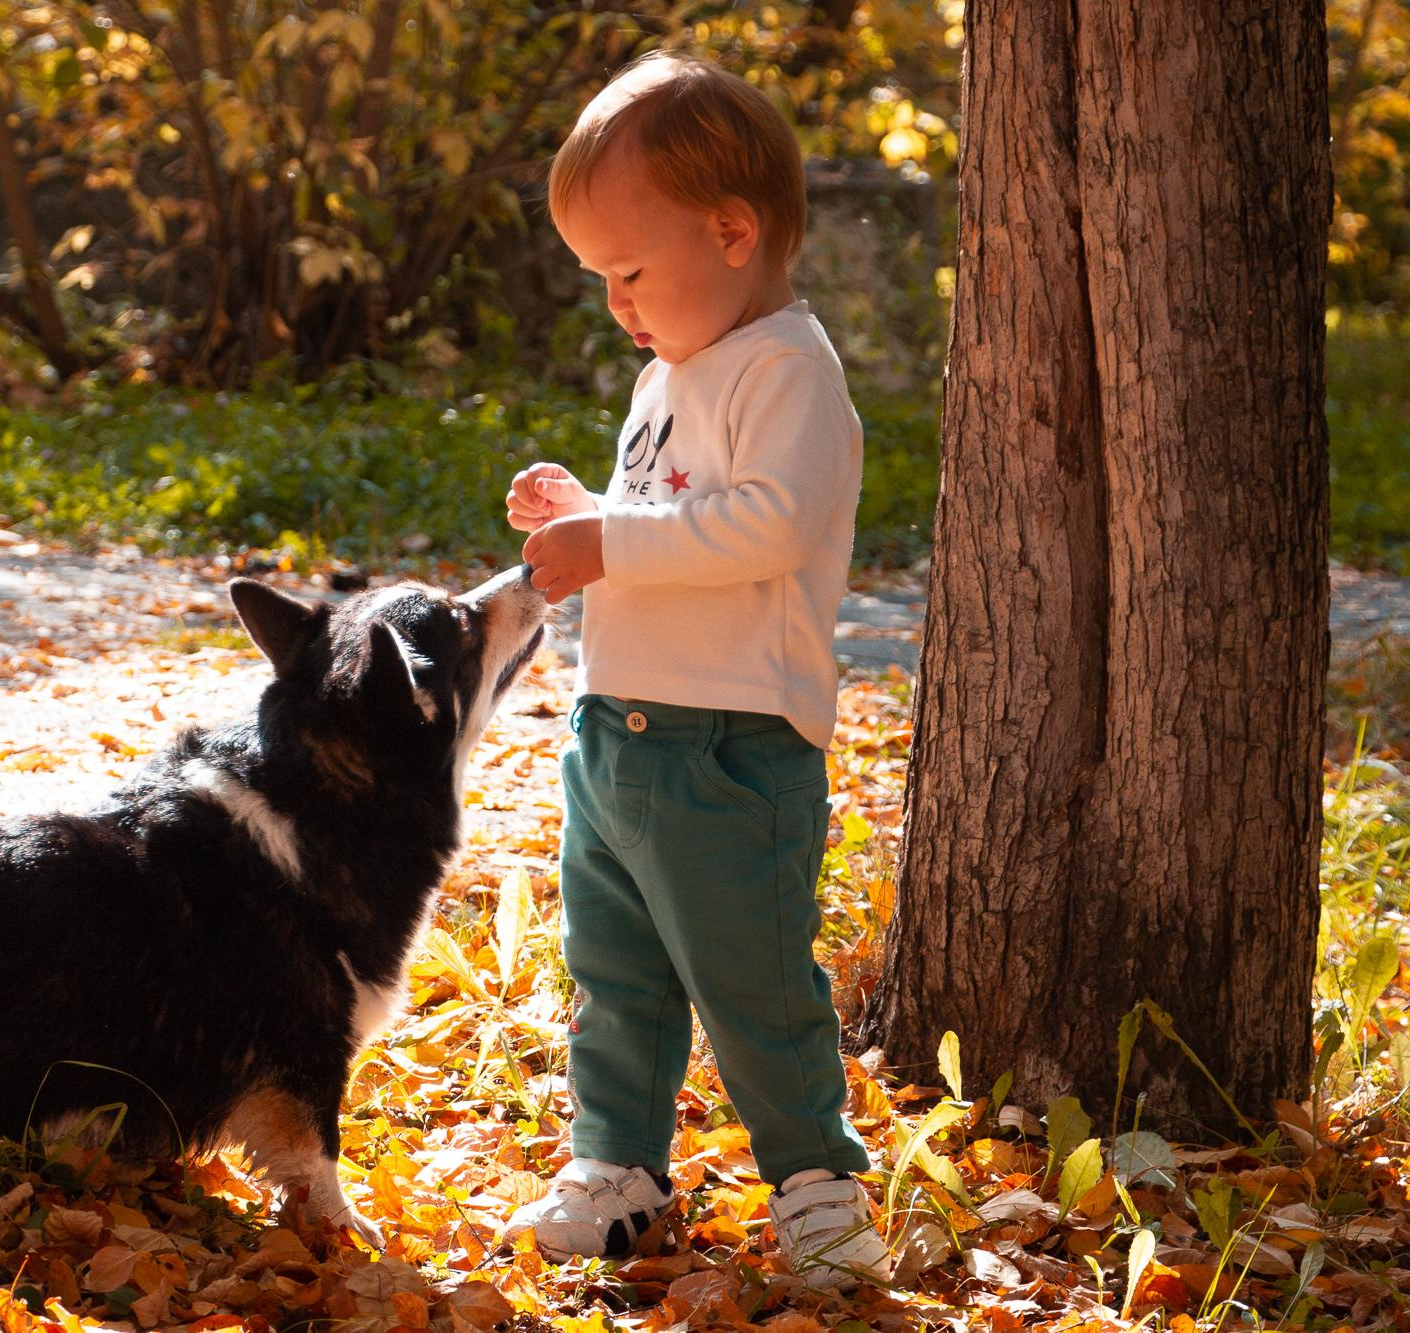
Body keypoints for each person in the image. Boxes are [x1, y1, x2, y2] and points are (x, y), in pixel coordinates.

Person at [500, 50, 890, 1290]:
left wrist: (610, 539)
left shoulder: (788, 370)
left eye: (626, 269)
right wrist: (588, 508)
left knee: (753, 979)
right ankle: (618, 1167)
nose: (615, 301)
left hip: (729, 746)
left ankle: (818, 1182)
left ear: (731, 230)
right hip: (615, 734)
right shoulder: (669, 368)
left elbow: (766, 525)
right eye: (597, 278)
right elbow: (665, 515)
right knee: (612, 972)